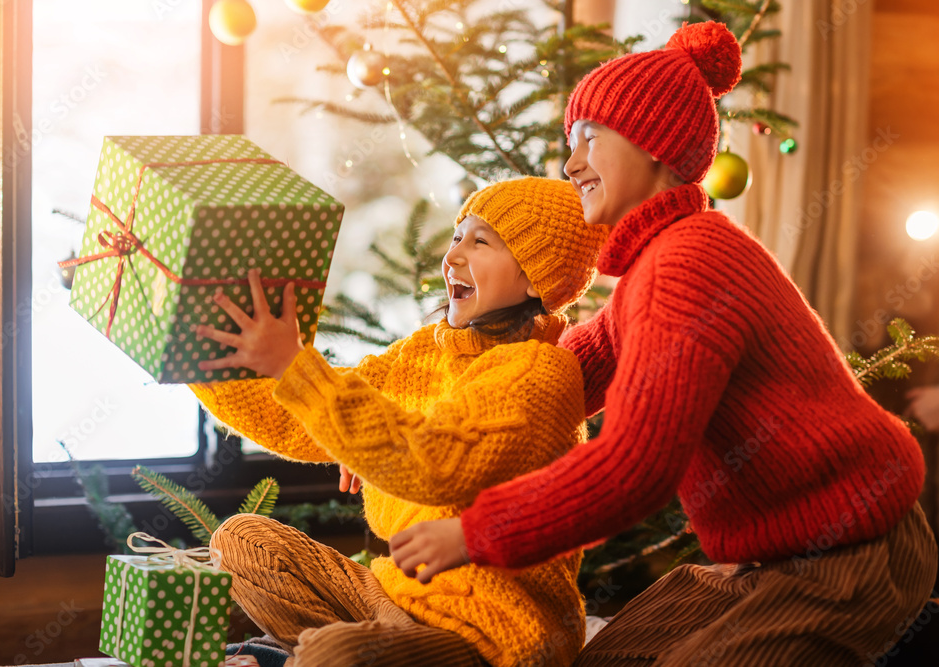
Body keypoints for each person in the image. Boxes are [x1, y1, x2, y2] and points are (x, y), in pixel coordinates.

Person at [390, 21, 938, 666]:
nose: (571, 164)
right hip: (765, 557)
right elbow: (548, 381)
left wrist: (475, 532)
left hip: (851, 548)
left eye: (591, 137)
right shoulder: (657, 267)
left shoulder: (689, 264)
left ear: (653, 146)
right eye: (571, 141)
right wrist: (396, 432)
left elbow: (636, 465)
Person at [188, 177, 609, 667]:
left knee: (334, 656)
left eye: (480, 241)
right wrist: (193, 352)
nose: (453, 257)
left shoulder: (538, 373)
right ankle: (306, 656)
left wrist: (297, 368)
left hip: (491, 632)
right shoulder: (423, 353)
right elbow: (295, 422)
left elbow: (436, 462)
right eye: (456, 237)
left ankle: (302, 657)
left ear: (537, 278)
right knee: (242, 541)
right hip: (397, 598)